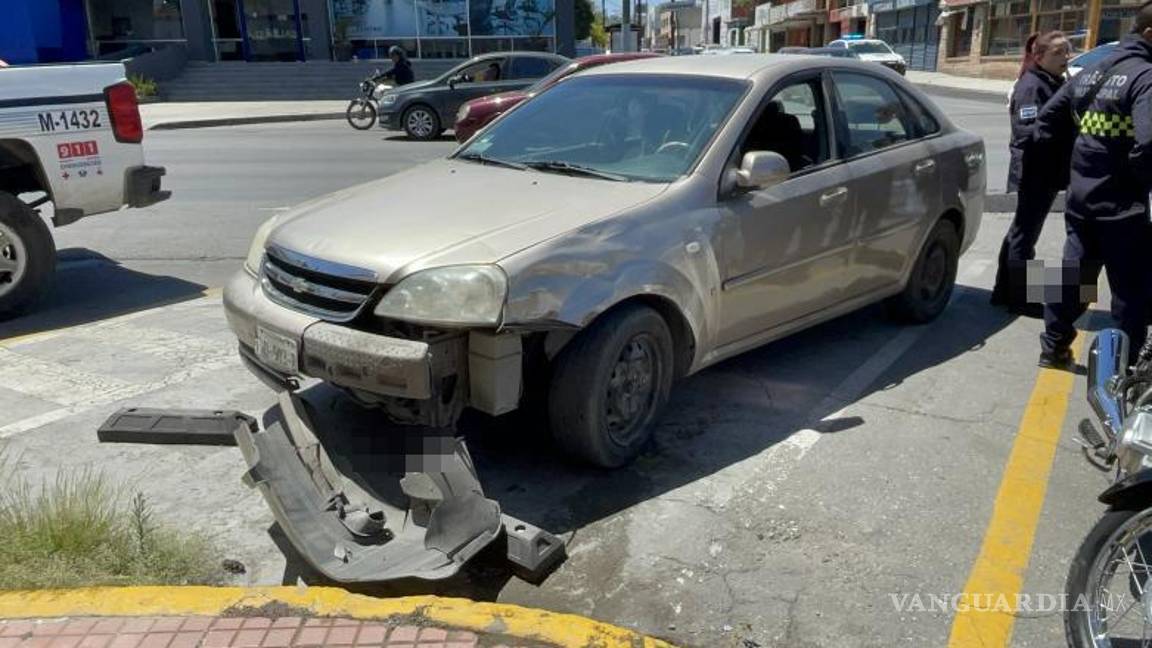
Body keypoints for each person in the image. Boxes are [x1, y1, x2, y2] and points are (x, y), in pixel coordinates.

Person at [1033, 0, 1152, 368]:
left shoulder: (1091, 71)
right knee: (1130, 292)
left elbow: (1046, 120)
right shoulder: (1144, 76)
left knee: (1074, 277)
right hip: (1123, 207)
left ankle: (1054, 348)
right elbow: (1149, 143)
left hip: (1082, 197)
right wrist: (1137, 180)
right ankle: (1122, 373)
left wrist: (1075, 167)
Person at [990, 31, 1072, 316]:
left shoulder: (1052, 81)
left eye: (1067, 51)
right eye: (1057, 52)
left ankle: (1003, 291)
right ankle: (1021, 298)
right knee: (1025, 236)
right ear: (1039, 57)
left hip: (1046, 170)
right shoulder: (1032, 86)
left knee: (1020, 232)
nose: (1065, 57)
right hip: (1036, 171)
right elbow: (1028, 132)